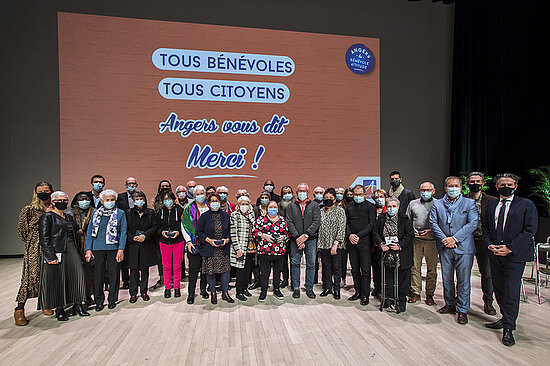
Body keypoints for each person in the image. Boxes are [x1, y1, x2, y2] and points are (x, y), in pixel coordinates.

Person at [483, 173, 538, 347]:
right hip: (495, 252)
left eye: (509, 184)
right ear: (497, 187)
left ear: (515, 186)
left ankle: (508, 327)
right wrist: (490, 245)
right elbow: (485, 227)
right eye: (502, 184)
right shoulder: (491, 206)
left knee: (511, 290)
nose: (505, 186)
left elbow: (529, 230)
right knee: (498, 288)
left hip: (514, 255)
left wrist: (510, 247)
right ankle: (504, 317)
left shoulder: (526, 205)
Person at [429, 176, 478, 324]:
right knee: (447, 278)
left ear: (461, 188)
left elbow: (472, 223)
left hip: (463, 247)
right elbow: (433, 223)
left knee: (463, 280)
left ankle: (462, 310)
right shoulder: (437, 204)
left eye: (456, 186)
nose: (453, 188)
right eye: (450, 186)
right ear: (445, 188)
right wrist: (445, 239)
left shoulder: (469, 203)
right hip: (444, 247)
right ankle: (449, 303)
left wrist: (454, 239)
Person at [38, 191, 89, 321]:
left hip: (72, 248)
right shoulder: (47, 217)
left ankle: (78, 305)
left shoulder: (69, 217)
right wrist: (50, 256)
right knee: (58, 279)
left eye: (65, 200)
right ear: (53, 202)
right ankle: (59, 309)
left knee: (77, 275)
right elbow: (44, 238)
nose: (63, 203)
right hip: (56, 250)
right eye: (59, 200)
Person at [15, 181, 54, 326]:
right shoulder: (29, 210)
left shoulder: (55, 207)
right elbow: (22, 232)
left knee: (48, 276)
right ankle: (19, 309)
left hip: (51, 246)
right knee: (30, 278)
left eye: (47, 191)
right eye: (41, 191)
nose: (44, 193)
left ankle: (46, 304)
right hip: (34, 248)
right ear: (36, 193)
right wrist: (34, 241)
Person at [85, 189, 127, 311]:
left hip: (114, 248)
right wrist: (88, 249)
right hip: (97, 248)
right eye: (107, 200)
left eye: (112, 200)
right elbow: (89, 232)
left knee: (114, 275)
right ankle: (99, 301)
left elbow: (123, 233)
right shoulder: (95, 213)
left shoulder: (120, 213)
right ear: (102, 201)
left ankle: (112, 299)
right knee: (98, 276)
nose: (110, 202)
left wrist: (121, 249)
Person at [373, 197, 414, 313]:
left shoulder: (405, 219)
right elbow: (375, 232)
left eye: (394, 206)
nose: (391, 209)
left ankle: (401, 301)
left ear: (398, 207)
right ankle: (388, 299)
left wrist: (399, 246)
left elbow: (409, 235)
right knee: (387, 278)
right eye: (389, 206)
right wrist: (381, 244)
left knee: (402, 280)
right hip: (386, 254)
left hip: (401, 253)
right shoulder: (381, 218)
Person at [466, 172, 498, 315]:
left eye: (478, 181)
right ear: (467, 184)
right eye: (472, 181)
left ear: (483, 183)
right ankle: (462, 301)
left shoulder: (492, 201)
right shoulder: (462, 200)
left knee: (486, 273)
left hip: (484, 241)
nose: (475, 184)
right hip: (466, 241)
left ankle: (488, 302)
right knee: (463, 273)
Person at [197, 193, 234, 304]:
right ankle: (213, 293)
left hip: (223, 248)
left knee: (225, 271)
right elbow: (198, 232)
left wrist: (227, 240)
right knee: (210, 272)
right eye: (212, 201)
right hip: (209, 248)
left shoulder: (225, 215)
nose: (215, 203)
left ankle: (225, 293)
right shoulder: (204, 216)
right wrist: (209, 240)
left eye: (217, 201)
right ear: (209, 203)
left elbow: (231, 231)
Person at [286, 183, 321, 299]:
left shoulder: (314, 205)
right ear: (296, 193)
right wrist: (297, 237)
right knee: (295, 263)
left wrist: (306, 235)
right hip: (295, 240)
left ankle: (309, 288)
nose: (302, 193)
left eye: (304, 190)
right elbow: (289, 222)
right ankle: (296, 287)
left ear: (308, 192)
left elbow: (316, 221)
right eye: (300, 191)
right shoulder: (291, 206)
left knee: (311, 264)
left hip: (310, 239)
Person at [406, 182, 438, 306]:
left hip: (432, 241)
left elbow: (442, 222)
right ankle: (415, 293)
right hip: (416, 241)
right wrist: (411, 230)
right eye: (423, 190)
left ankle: (430, 294)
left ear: (433, 191)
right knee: (414, 268)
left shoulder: (438, 204)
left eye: (428, 190)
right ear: (419, 190)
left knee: (432, 270)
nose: (425, 192)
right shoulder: (413, 203)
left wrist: (431, 231)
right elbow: (407, 220)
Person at [345, 184, 376, 305]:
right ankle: (357, 292)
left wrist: (358, 235)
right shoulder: (349, 207)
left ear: (364, 194)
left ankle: (365, 295)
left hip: (364, 242)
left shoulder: (371, 206)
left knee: (366, 270)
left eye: (360, 194)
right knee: (354, 269)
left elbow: (371, 224)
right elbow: (346, 223)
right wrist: (350, 235)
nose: (357, 196)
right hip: (352, 242)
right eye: (355, 195)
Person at [253, 201, 289, 301]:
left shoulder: (283, 220)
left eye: (274, 207)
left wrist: (283, 237)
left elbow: (288, 234)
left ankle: (276, 289)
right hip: (264, 251)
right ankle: (263, 291)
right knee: (265, 273)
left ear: (278, 209)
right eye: (270, 207)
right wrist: (263, 235)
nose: (273, 209)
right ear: (267, 208)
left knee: (277, 272)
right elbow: (255, 232)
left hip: (279, 252)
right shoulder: (261, 219)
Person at [125, 191, 158, 303]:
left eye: (141, 198)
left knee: (145, 270)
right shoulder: (128, 213)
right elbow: (125, 229)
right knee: (133, 271)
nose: (139, 200)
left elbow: (154, 227)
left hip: (146, 244)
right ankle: (133, 293)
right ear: (133, 201)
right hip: (133, 245)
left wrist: (145, 235)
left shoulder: (150, 212)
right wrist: (132, 237)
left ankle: (144, 292)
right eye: (137, 198)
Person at [182, 185, 210, 303]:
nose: (200, 196)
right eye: (197, 194)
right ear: (193, 196)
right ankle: (191, 293)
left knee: (205, 269)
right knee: (193, 270)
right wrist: (188, 241)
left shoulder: (210, 207)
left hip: (208, 244)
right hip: (194, 244)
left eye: (201, 193)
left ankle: (203, 289)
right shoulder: (189, 208)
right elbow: (184, 226)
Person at [317, 188, 346, 299]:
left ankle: (337, 289)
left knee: (336, 267)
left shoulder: (340, 211)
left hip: (336, 245)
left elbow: (341, 227)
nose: (328, 200)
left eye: (330, 198)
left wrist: (336, 243)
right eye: (326, 198)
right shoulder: (321, 211)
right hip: (324, 244)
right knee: (326, 267)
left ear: (334, 199)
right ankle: (327, 287)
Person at [156, 190, 184, 298]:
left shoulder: (180, 210)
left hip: (178, 241)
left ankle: (177, 287)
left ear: (174, 199)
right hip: (164, 241)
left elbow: (184, 225)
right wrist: (162, 232)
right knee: (166, 265)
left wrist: (178, 232)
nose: (168, 201)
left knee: (177, 265)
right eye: (165, 199)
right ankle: (167, 287)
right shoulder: (160, 212)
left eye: (170, 199)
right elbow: (157, 227)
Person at [230, 195, 257, 301]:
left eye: (246, 204)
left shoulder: (251, 214)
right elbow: (233, 233)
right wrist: (238, 249)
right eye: (242, 204)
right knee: (240, 271)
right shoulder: (234, 215)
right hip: (240, 247)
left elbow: (255, 227)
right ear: (238, 205)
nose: (245, 206)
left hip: (250, 247)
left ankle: (245, 288)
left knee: (247, 270)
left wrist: (251, 218)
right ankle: (239, 291)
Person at [70, 192, 94, 305]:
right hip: (74, 245)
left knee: (89, 273)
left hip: (90, 246)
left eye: (87, 199)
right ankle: (75, 298)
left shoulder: (95, 212)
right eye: (81, 199)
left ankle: (88, 295)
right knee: (74, 273)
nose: (84, 201)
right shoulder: (69, 214)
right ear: (76, 201)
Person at [116, 177, 138, 290]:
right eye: (129, 184)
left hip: (136, 228)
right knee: (124, 256)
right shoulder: (120, 197)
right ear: (126, 185)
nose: (132, 185)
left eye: (134, 184)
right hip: (123, 228)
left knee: (135, 256)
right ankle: (125, 280)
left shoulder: (139, 196)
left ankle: (136, 279)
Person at [151, 179, 172, 289]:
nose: (164, 188)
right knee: (161, 258)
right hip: (159, 233)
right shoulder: (154, 201)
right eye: (162, 186)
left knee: (172, 258)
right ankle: (162, 277)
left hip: (173, 233)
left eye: (167, 186)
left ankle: (171, 278)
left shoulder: (174, 201)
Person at [371, 188, 388, 298]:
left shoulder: (390, 209)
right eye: (376, 197)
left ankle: (386, 289)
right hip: (373, 244)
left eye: (381, 197)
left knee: (386, 269)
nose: (379, 199)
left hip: (386, 244)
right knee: (375, 268)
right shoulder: (372, 209)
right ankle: (377, 288)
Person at [278, 185, 294, 288]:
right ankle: (285, 280)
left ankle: (294, 281)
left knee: (294, 261)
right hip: (281, 238)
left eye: (289, 192)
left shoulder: (296, 205)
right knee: (283, 261)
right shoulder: (278, 206)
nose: (287, 195)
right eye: (285, 193)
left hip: (293, 237)